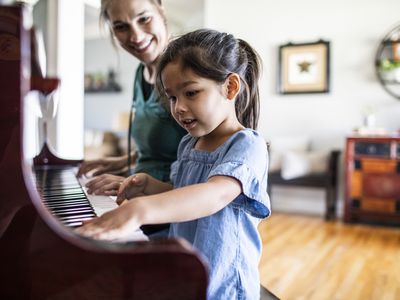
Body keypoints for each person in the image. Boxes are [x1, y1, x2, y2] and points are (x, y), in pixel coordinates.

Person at [76, 29, 270, 299]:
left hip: (224, 286)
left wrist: (140, 210)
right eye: (172, 97)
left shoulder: (247, 146)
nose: (178, 107)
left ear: (231, 87)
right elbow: (181, 191)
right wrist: (148, 186)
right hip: (187, 275)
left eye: (191, 93)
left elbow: (213, 195)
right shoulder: (188, 144)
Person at [77, 0, 186, 198]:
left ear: (161, 10)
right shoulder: (141, 73)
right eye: (121, 27)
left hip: (170, 208)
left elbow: (205, 161)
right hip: (141, 202)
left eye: (143, 18)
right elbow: (167, 147)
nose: (135, 36)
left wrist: (137, 183)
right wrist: (124, 161)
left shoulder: (185, 72)